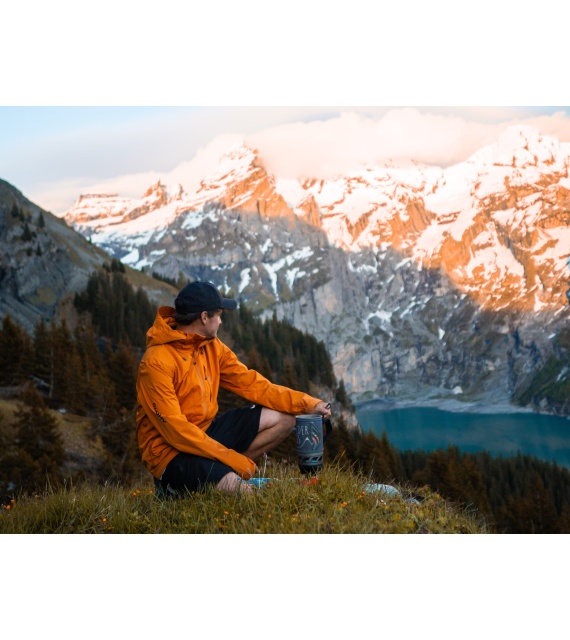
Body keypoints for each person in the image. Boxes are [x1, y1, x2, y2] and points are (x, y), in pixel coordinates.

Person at [136, 281, 332, 495]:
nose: (221, 321)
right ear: (204, 317)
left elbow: (254, 385)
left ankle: (220, 474)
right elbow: (177, 432)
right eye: (219, 315)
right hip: (170, 452)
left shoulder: (212, 347)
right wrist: (233, 459)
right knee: (239, 491)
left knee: (284, 418)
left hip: (205, 433)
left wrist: (309, 404)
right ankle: (174, 488)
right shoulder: (156, 362)